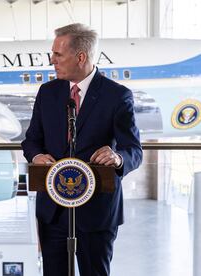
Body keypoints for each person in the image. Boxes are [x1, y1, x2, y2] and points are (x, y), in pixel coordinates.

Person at [21, 23, 142, 276]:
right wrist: (36, 155)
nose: (52, 60)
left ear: (80, 57)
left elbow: (134, 150)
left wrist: (118, 158)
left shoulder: (117, 96)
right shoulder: (47, 93)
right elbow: (31, 140)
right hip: (53, 211)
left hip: (96, 212)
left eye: (58, 55)